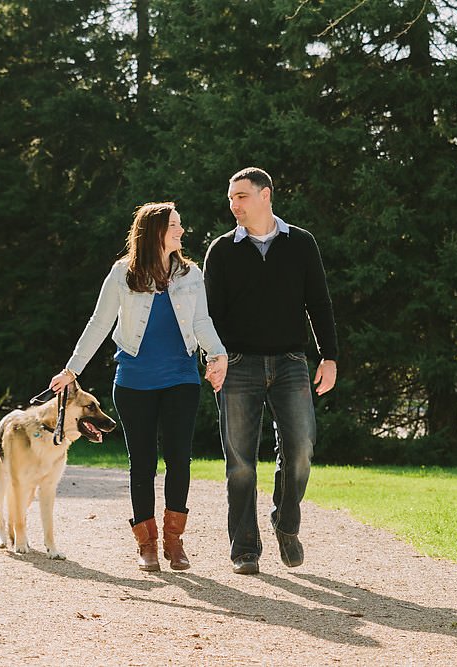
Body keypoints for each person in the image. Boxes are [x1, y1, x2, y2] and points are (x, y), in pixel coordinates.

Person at [48, 202, 228, 572]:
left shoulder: (190, 274)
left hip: (181, 379)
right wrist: (71, 370)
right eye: (174, 225)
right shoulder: (122, 274)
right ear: (155, 231)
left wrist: (218, 354)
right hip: (133, 383)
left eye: (180, 224)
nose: (181, 231)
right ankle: (146, 544)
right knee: (141, 464)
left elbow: (202, 321)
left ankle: (174, 542)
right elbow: (99, 324)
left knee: (179, 459)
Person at [203, 167, 338, 575]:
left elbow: (319, 302)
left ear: (266, 196)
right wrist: (213, 359)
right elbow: (209, 315)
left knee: (301, 451)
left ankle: (286, 521)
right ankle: (245, 548)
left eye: (241, 196)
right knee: (240, 461)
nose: (234, 205)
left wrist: (328, 356)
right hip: (237, 365)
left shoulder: (301, 243)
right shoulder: (222, 250)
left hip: (291, 363)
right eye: (231, 199)